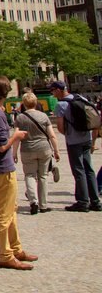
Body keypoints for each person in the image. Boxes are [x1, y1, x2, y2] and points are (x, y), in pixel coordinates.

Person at [0, 76, 38, 270]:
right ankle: (5, 255)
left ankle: (15, 248)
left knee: (11, 210)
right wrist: (16, 136)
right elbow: (1, 146)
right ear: (6, 93)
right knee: (4, 214)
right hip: (1, 168)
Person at [51, 80, 102, 212]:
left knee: (78, 170)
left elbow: (61, 127)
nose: (52, 93)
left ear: (58, 90)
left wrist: (69, 134)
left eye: (52, 90)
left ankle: (83, 202)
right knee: (89, 169)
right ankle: (95, 201)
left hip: (74, 141)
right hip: (87, 138)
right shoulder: (81, 98)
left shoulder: (61, 104)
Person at [13, 91, 60, 214]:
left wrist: (14, 153)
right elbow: (52, 135)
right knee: (43, 176)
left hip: (27, 149)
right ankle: (43, 205)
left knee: (29, 175)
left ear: (24, 103)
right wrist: (56, 150)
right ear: (36, 102)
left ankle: (33, 202)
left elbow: (17, 136)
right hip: (44, 148)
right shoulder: (43, 116)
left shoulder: (20, 117)